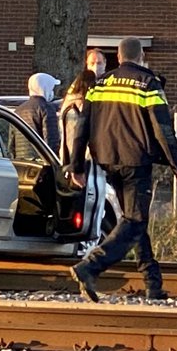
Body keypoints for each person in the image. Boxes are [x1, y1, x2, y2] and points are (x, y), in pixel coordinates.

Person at [68, 36, 177, 303]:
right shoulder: (148, 84)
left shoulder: (99, 84)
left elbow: (81, 127)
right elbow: (163, 129)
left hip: (108, 160)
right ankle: (90, 266)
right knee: (134, 221)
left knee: (133, 220)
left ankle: (152, 283)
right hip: (136, 161)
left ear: (118, 58)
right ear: (141, 56)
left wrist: (76, 165)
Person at [60, 69, 109, 248]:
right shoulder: (78, 107)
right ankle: (87, 244)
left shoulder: (67, 105)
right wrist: (76, 166)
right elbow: (76, 138)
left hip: (70, 162)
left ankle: (85, 243)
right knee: (91, 205)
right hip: (85, 162)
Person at [14, 72, 61, 156]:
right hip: (40, 161)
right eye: (51, 88)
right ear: (45, 88)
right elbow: (50, 141)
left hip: (21, 161)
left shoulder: (18, 110)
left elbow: (12, 142)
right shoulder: (47, 108)